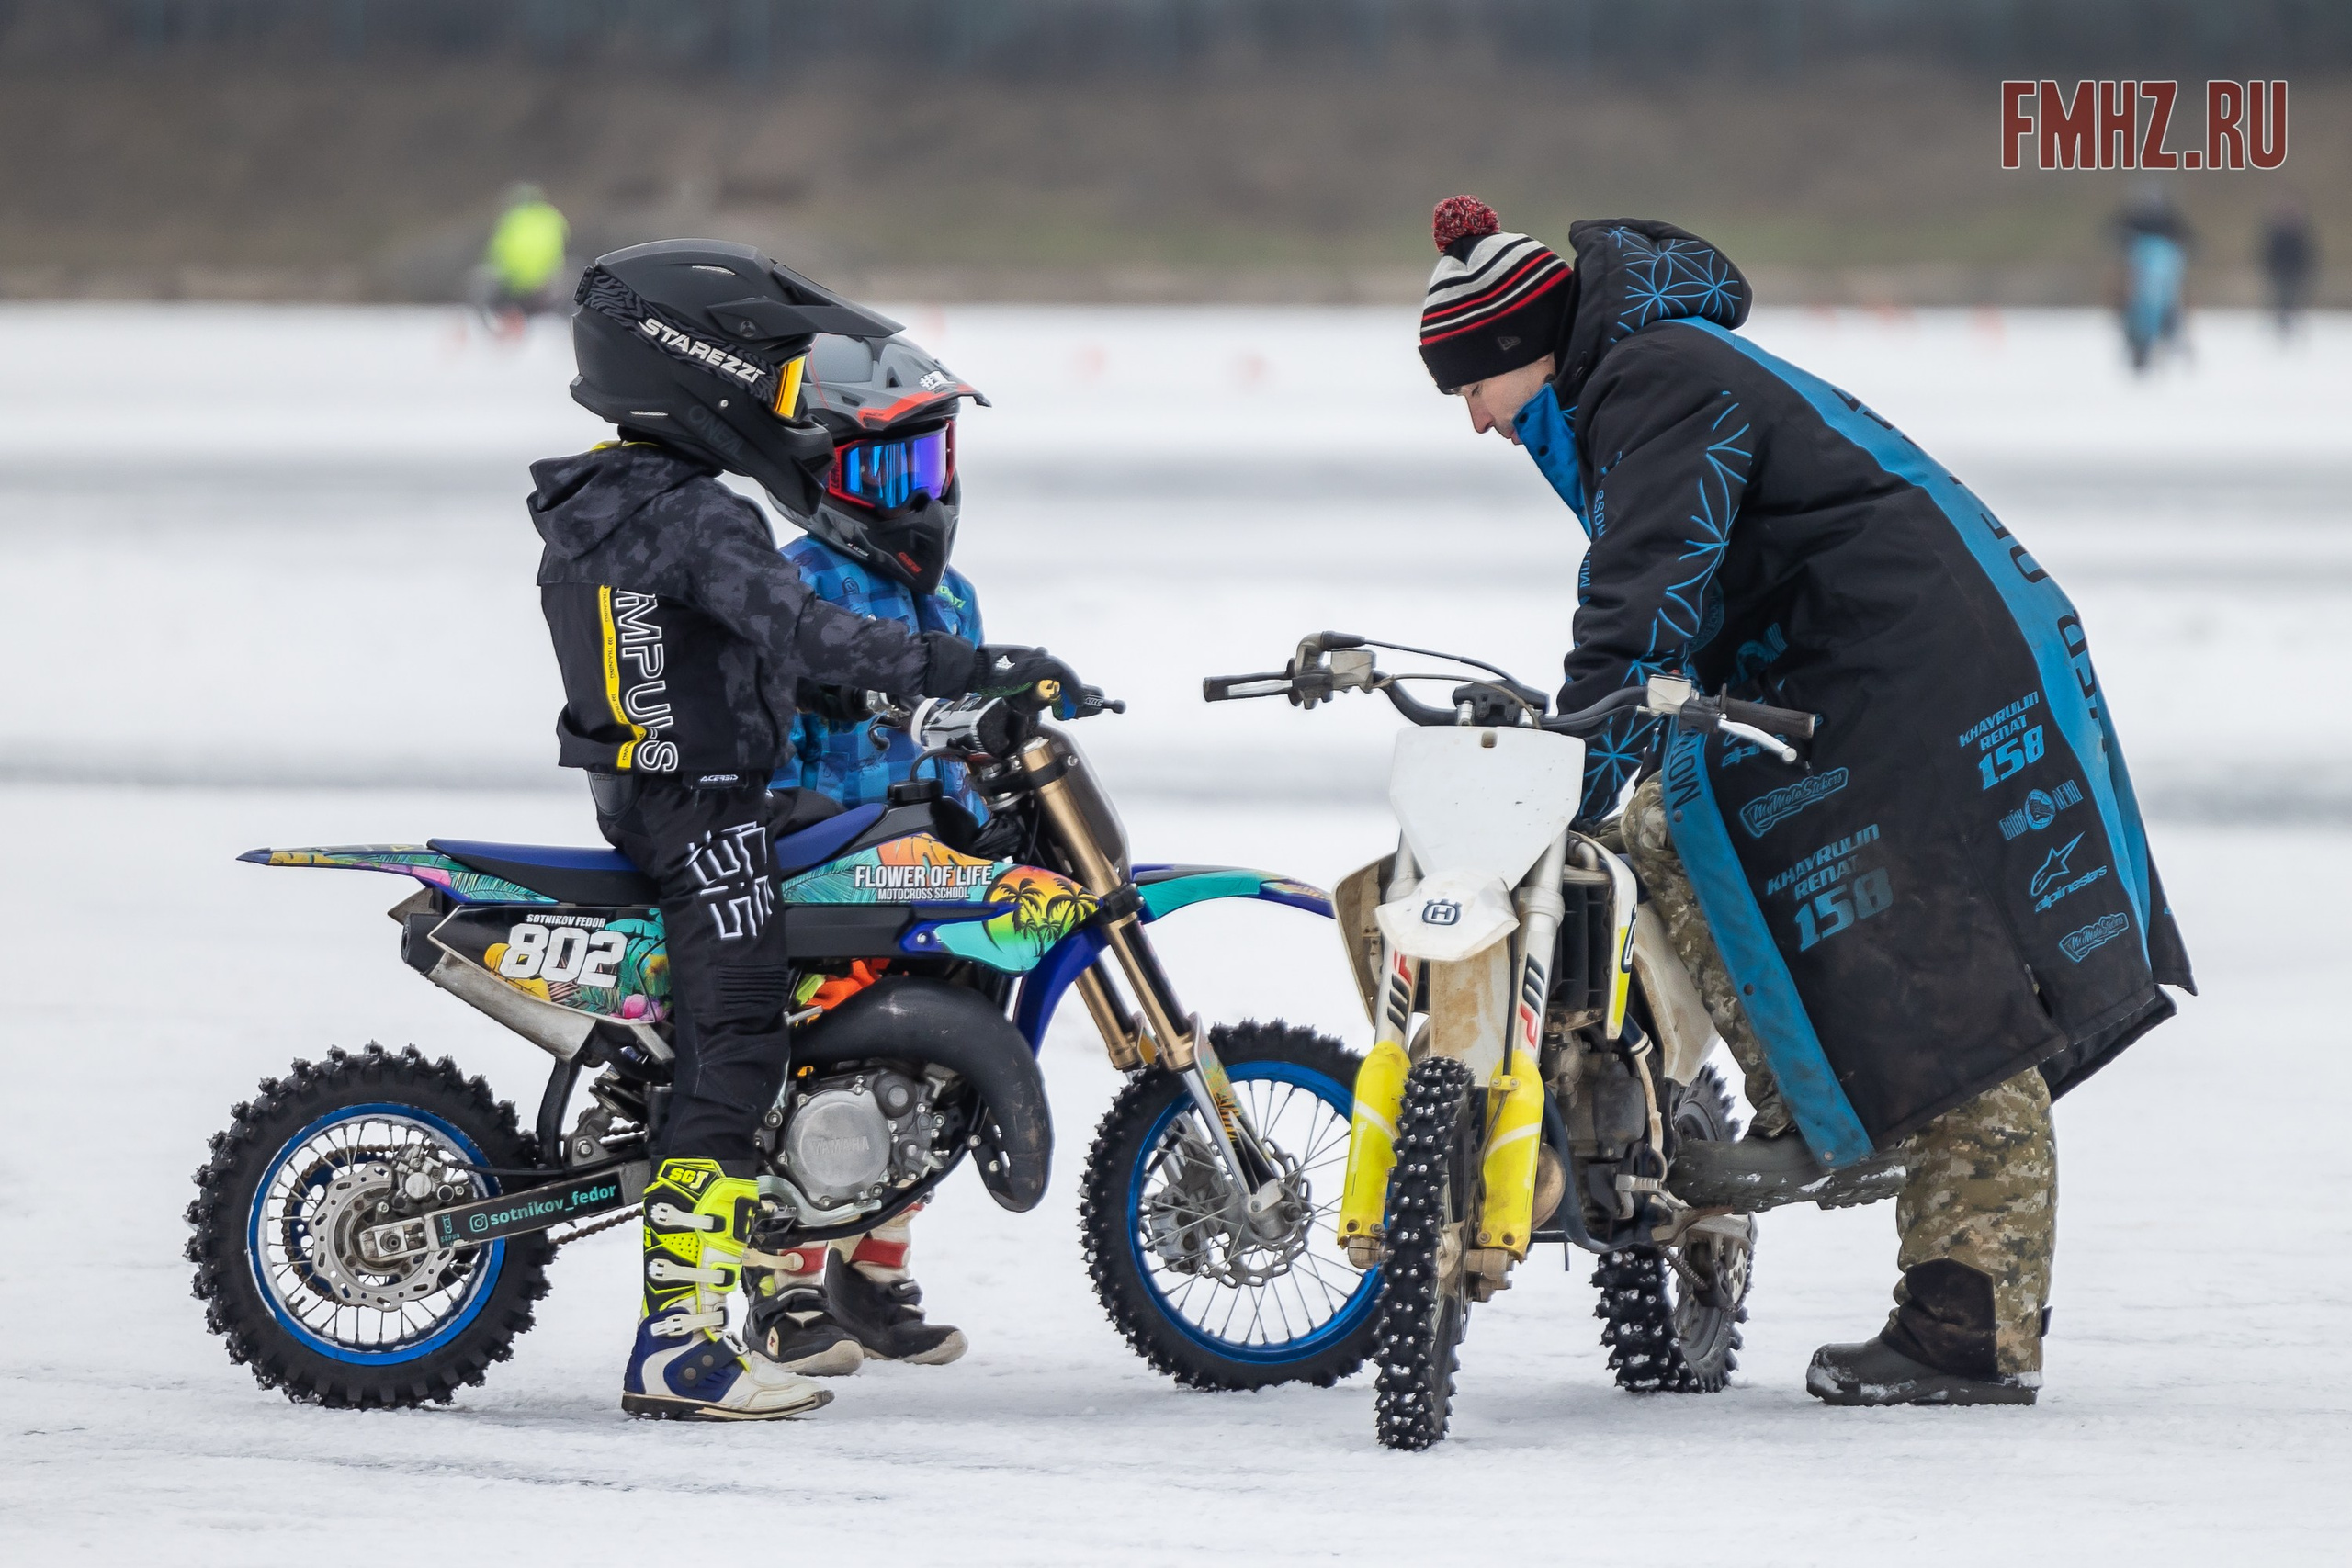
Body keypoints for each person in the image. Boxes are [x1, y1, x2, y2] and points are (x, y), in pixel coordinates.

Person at [1416, 197, 2194, 1406]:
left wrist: (1569, 759)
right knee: (1676, 833)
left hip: (1918, 670)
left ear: (1526, 343)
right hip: (1877, 655)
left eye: (1470, 383)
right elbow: (1678, 587)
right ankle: (1820, 1097)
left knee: (1942, 976)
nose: (1471, 417)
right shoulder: (1638, 374)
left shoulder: (1654, 378)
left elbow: (1644, 587)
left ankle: (1964, 1320)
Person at [529, 238, 1079, 1420]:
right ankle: (680, 1345)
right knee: (735, 1058)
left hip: (665, 797)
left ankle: (828, 1245)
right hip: (708, 811)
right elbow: (803, 630)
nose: (783, 410)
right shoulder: (694, 517)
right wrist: (946, 665)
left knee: (771, 1015)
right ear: (695, 377)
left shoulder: (603, 503)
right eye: (764, 381)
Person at [735, 330, 1001, 1378]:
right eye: (882, 469)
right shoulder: (792, 587)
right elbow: (771, 746)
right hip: (833, 874)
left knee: (942, 1063)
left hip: (938, 866)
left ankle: (873, 1269)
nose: (911, 496)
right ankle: (787, 1278)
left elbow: (973, 726)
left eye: (926, 465)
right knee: (824, 1069)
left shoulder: (956, 598)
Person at [2112, 183, 2192, 372]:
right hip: (2141, 265)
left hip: (2165, 266)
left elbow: (2186, 234)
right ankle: (2138, 336)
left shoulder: (2169, 217)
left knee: (2171, 297)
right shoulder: (2135, 217)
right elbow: (2115, 230)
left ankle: (2170, 331)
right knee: (2132, 296)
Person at [481, 183, 571, 325]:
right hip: (546, 282)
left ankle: (496, 328)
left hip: (514, 282)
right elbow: (564, 242)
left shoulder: (510, 219)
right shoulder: (552, 217)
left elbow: (496, 251)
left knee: (482, 286)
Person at [2261, 200, 2317, 337]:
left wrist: (2305, 271)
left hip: (2295, 274)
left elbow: (2307, 254)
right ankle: (2283, 330)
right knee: (2281, 304)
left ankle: (2294, 331)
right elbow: (2269, 253)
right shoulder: (2277, 233)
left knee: (2294, 304)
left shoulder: (2299, 234)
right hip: (2280, 274)